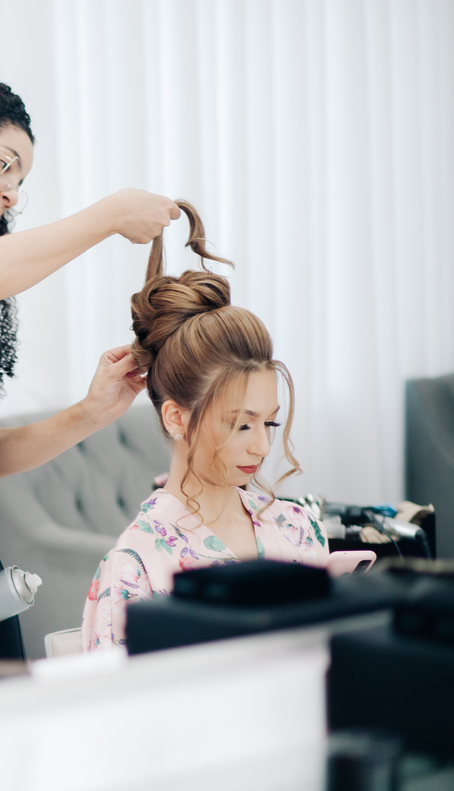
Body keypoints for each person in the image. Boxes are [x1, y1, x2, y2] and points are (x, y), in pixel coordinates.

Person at [0, 68, 182, 681]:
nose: (12, 194)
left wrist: (91, 412)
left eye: (20, 182)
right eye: (5, 165)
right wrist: (110, 215)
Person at [81, 202, 330, 652]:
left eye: (269, 422)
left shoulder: (298, 528)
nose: (262, 446)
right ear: (176, 418)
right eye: (240, 425)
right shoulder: (136, 564)